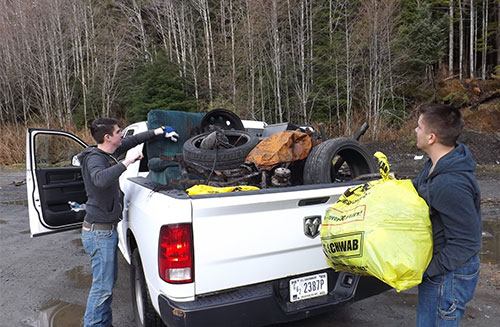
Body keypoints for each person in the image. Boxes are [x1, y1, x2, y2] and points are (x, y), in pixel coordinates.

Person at [77, 118, 177, 327]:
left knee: (106, 283)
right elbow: (100, 179)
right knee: (102, 287)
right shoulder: (94, 158)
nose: (122, 135)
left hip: (103, 230)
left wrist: (158, 131)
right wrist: (127, 161)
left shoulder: (108, 151)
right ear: (107, 137)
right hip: (99, 233)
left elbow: (134, 140)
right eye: (119, 131)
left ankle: (103, 323)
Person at [413, 104, 482, 326]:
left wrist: (426, 271)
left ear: (431, 137)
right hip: (442, 267)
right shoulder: (435, 166)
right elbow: (420, 188)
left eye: (419, 126)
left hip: (449, 273)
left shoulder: (450, 183)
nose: (415, 130)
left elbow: (467, 242)